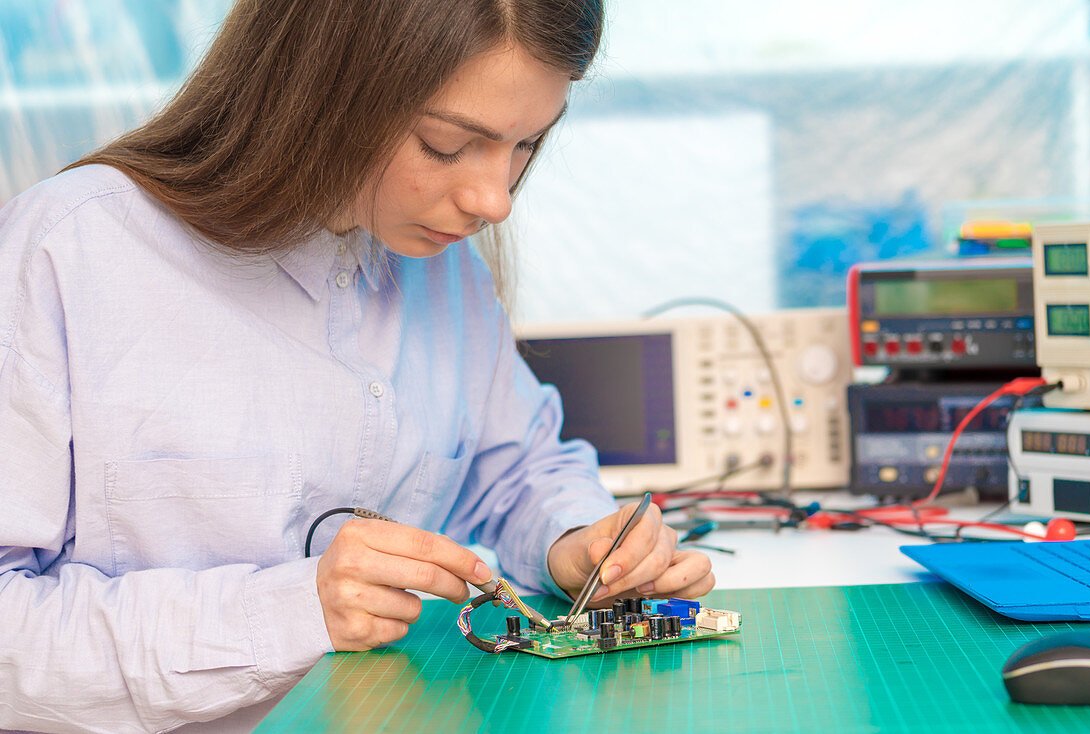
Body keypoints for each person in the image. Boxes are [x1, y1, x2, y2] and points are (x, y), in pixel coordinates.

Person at [0, 1, 715, 731]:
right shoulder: (67, 252)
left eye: (526, 143)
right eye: (444, 145)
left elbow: (512, 474)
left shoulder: (440, 269)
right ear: (323, 85)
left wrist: (579, 544)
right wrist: (289, 611)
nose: (493, 200)